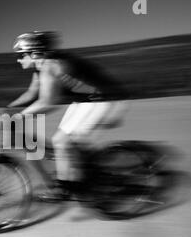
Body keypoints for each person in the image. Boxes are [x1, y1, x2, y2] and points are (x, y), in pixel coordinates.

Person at [7, 31, 128, 195]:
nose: (18, 59)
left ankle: (65, 190)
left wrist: (19, 116)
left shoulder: (51, 65)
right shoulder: (40, 67)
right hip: (84, 101)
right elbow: (31, 93)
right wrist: (10, 107)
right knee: (68, 145)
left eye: (21, 55)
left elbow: (48, 102)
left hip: (102, 99)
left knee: (61, 141)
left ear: (34, 53)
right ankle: (85, 176)